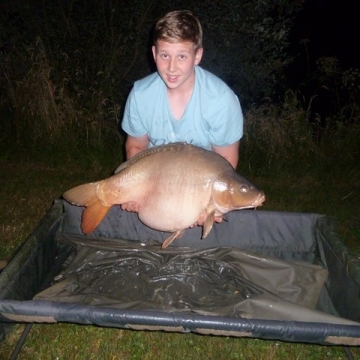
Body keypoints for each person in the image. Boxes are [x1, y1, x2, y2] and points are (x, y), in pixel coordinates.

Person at [121, 10, 244, 223]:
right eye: (164, 55)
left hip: (198, 187)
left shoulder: (221, 101)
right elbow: (136, 147)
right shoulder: (141, 95)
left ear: (197, 56)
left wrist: (211, 204)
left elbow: (226, 162)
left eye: (182, 56)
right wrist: (134, 189)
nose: (171, 67)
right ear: (154, 53)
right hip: (154, 181)